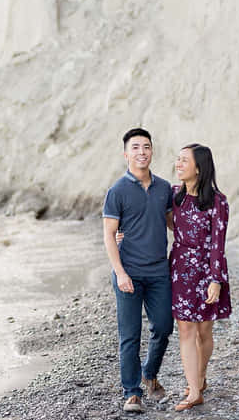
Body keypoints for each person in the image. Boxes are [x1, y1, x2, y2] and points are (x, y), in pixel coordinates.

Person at [103, 128, 174, 413]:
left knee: (164, 326)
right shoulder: (117, 190)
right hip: (128, 271)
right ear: (126, 154)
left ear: (152, 151)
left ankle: (149, 373)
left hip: (159, 271)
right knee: (130, 335)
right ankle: (132, 393)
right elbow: (109, 235)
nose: (141, 152)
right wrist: (120, 273)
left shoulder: (164, 188)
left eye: (146, 147)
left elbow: (171, 222)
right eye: (135, 147)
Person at [169, 143, 231, 412]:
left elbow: (219, 243)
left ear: (199, 167)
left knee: (204, 331)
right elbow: (165, 220)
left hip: (207, 270)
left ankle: (200, 377)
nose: (178, 164)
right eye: (178, 159)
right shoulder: (174, 195)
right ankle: (194, 391)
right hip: (181, 268)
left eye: (184, 160)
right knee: (186, 329)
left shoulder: (218, 202)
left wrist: (216, 279)